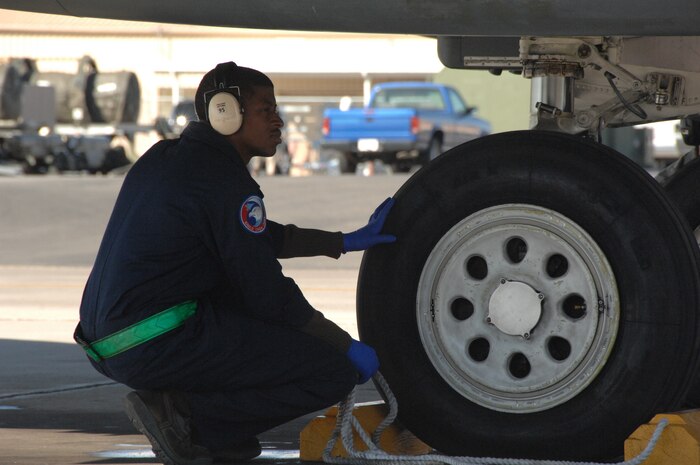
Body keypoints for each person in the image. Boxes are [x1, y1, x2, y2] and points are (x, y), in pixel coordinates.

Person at [74, 61, 396, 465]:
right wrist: (343, 345)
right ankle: (187, 422)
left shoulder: (168, 157)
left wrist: (343, 241)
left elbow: (249, 236)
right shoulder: (224, 182)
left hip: (109, 341)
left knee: (238, 306)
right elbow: (268, 293)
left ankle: (217, 435)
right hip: (152, 340)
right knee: (328, 370)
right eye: (266, 110)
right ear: (225, 113)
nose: (278, 121)